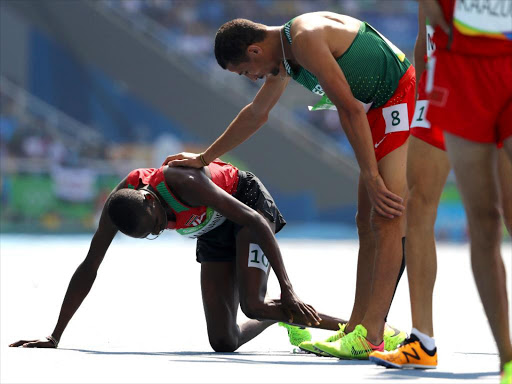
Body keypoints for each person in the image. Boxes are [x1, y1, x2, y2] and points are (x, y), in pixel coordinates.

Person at [162, 11, 414, 358]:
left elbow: (349, 109)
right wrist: (204, 158)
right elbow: (256, 113)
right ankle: (358, 328)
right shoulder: (286, 56)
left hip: (398, 99)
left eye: (246, 72)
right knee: (365, 223)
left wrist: (371, 176)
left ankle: (372, 334)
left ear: (254, 51)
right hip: (376, 108)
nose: (252, 78)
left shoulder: (305, 38)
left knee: (387, 218)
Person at [9, 160, 347, 351]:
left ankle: (358, 329)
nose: (160, 230)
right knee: (223, 341)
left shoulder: (183, 182)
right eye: (151, 235)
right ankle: (278, 315)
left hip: (247, 205)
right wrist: (55, 335)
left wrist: (288, 289)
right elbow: (89, 266)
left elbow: (255, 220)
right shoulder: (119, 206)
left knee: (251, 304)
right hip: (211, 228)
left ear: (151, 200)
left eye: (158, 224)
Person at [370, 1, 512, 371]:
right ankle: (422, 340)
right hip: (444, 86)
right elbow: (423, 38)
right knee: (417, 204)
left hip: (499, 81)